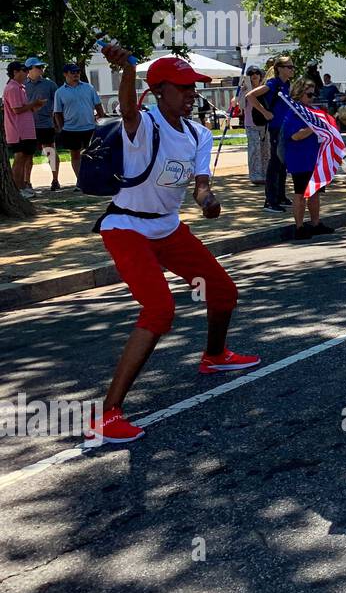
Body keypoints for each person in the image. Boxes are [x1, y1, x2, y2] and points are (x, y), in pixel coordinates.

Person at [90, 46, 260, 443]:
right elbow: (128, 109)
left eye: (194, 87)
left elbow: (200, 188)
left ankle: (215, 357)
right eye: (183, 87)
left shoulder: (199, 134)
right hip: (127, 227)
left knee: (222, 292)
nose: (191, 94)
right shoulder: (144, 124)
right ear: (160, 90)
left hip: (167, 228)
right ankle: (107, 413)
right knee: (159, 309)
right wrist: (129, 70)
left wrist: (208, 202)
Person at [278, 77, 334, 239]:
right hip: (300, 160)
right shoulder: (293, 112)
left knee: (315, 192)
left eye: (313, 94)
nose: (312, 97)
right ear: (299, 94)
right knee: (300, 194)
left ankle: (315, 223)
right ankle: (299, 227)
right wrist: (313, 127)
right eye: (309, 95)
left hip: (314, 158)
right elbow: (295, 136)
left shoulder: (311, 111)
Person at [246, 55, 294, 211]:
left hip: (284, 128)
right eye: (289, 67)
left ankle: (280, 196)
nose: (292, 70)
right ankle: (270, 200)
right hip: (275, 128)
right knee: (274, 163)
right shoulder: (273, 84)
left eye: (292, 67)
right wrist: (265, 112)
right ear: (279, 69)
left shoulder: (286, 84)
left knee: (282, 163)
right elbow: (250, 96)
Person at [52, 62, 105, 180]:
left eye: (78, 71)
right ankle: (80, 180)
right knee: (75, 155)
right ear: (65, 74)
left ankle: (94, 178)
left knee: (94, 154)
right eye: (73, 72)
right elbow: (57, 113)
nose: (76, 74)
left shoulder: (89, 87)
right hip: (71, 129)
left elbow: (98, 105)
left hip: (90, 127)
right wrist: (61, 128)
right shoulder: (60, 92)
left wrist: (102, 121)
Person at [4, 60, 40, 194]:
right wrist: (34, 103)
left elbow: (23, 109)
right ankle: (17, 189)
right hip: (17, 131)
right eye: (24, 71)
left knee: (24, 158)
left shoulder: (20, 87)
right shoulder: (13, 88)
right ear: (15, 72)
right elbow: (17, 109)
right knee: (19, 159)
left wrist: (34, 106)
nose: (26, 73)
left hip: (25, 130)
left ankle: (22, 187)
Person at [24, 59, 59, 190]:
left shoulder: (50, 84)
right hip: (28, 125)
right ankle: (27, 182)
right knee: (28, 154)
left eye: (42, 66)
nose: (41, 68)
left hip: (46, 124)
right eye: (38, 66)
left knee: (50, 151)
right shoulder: (21, 85)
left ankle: (55, 180)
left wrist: (56, 121)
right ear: (29, 69)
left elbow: (57, 104)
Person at [243, 66, 270, 185]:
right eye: (251, 74)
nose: (254, 75)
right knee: (254, 149)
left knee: (265, 149)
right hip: (251, 123)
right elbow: (241, 106)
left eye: (257, 73)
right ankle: (255, 175)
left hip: (265, 123)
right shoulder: (244, 90)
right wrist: (242, 91)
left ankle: (266, 173)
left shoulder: (264, 88)